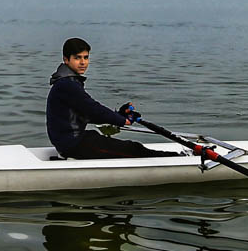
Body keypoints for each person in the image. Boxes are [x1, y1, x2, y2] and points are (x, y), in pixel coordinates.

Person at [47, 38, 179, 160]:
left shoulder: (67, 81)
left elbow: (86, 113)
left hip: (72, 141)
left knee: (132, 147)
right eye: (77, 58)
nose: (83, 62)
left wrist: (118, 116)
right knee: (133, 149)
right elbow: (93, 109)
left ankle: (175, 158)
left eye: (86, 58)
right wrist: (123, 120)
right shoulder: (67, 84)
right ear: (66, 59)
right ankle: (177, 160)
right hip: (73, 145)